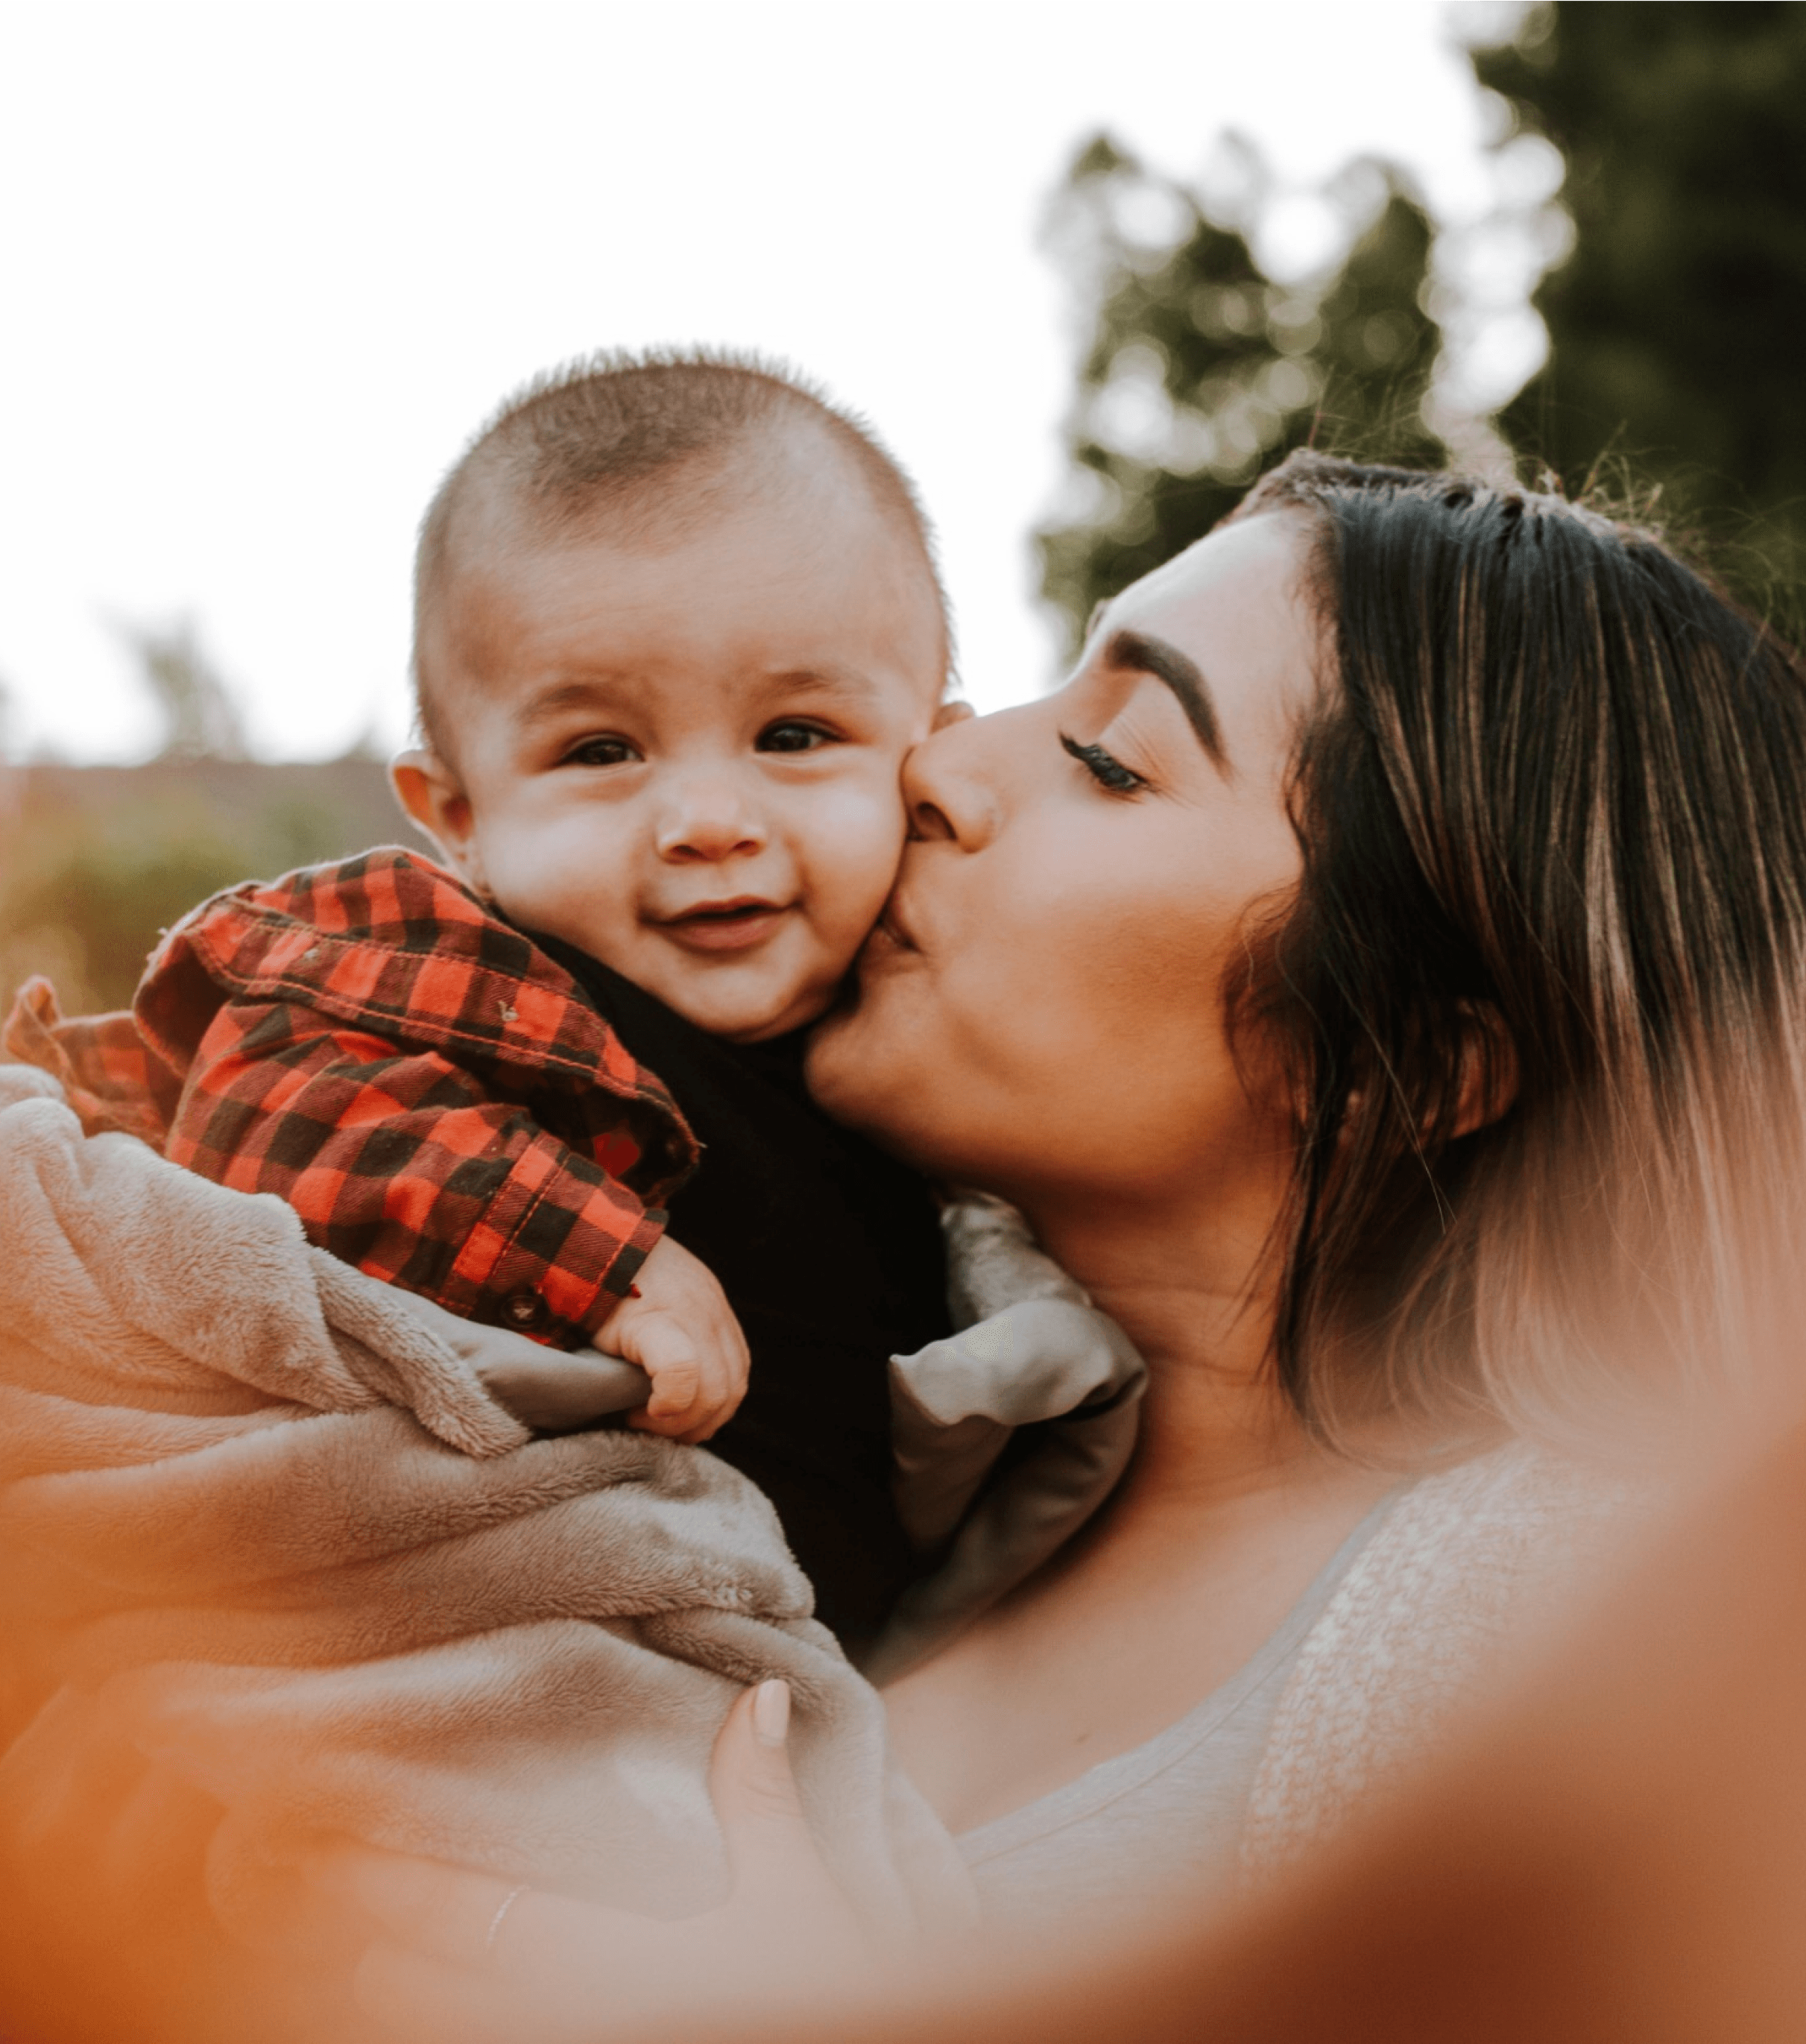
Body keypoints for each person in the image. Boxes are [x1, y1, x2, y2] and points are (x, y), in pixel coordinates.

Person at [312, 449, 1806, 2034]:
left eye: (1108, 761)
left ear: (1407, 1067)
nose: (934, 772)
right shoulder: (873, 1422)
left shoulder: (1538, 1635)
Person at [4, 351, 969, 1645]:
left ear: (936, 754)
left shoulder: (942, 1025)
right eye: (599, 751)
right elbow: (278, 1103)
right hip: (432, 1644)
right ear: (457, 816)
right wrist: (593, 1259)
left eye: (793, 735)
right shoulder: (463, 967)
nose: (706, 821)